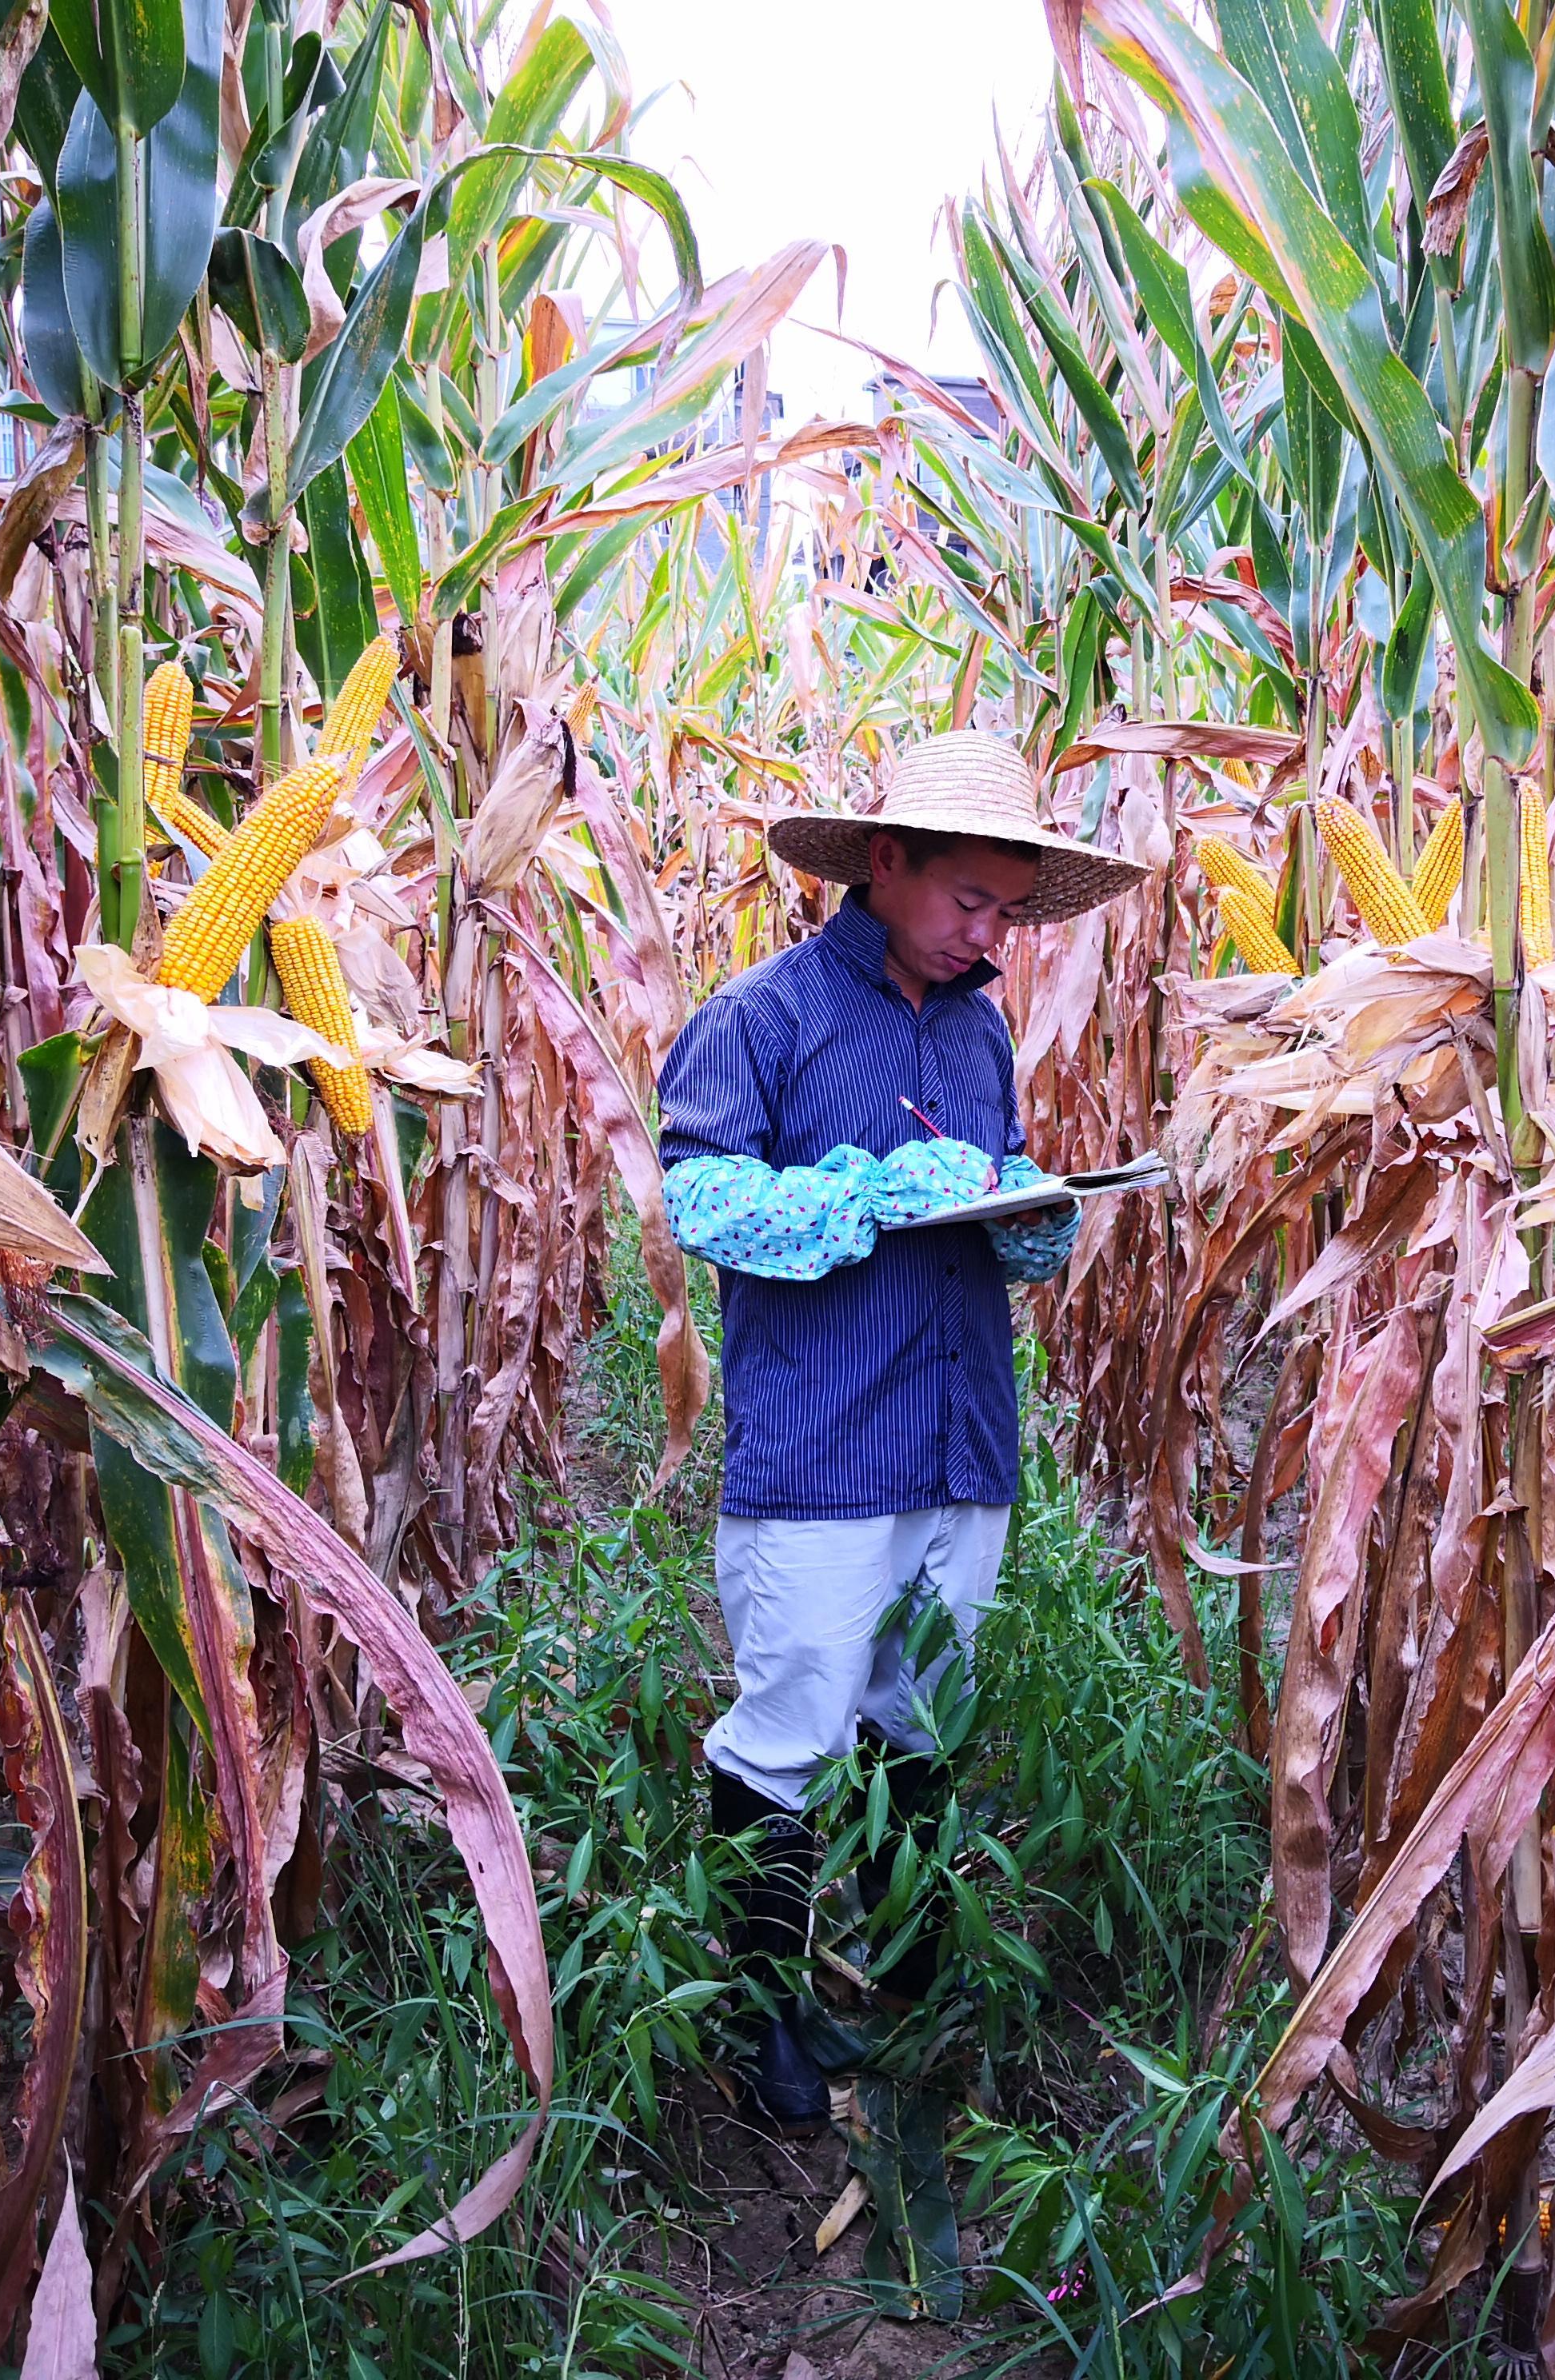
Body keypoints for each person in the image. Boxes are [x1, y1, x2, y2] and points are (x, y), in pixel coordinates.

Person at [655, 731, 1148, 2133]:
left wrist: (1029, 1212)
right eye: (968, 905)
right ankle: (766, 2016)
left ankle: (908, 1968)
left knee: (919, 1717)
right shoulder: (765, 1018)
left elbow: (984, 1211)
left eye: (1005, 909)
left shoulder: (979, 1028)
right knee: (793, 1727)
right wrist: (857, 1196)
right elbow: (700, 1207)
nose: (988, 935)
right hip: (821, 1445)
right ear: (886, 864)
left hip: (958, 1437)